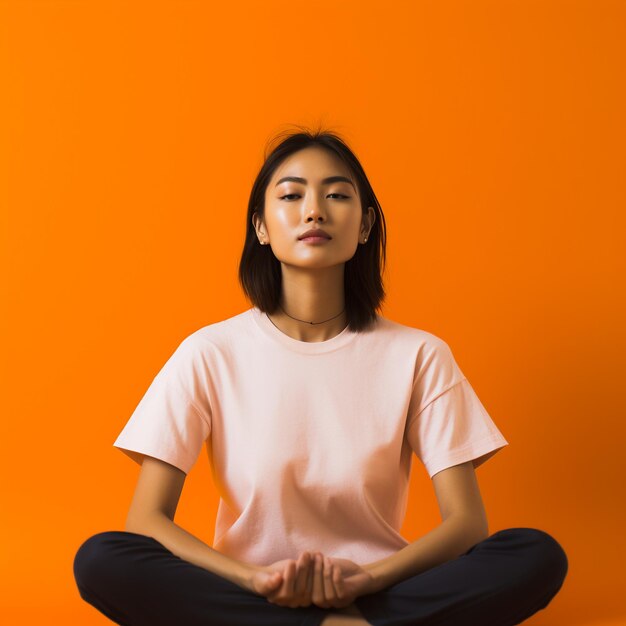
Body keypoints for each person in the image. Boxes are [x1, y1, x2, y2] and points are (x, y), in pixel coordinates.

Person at [73, 126, 568, 626]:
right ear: (261, 227)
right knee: (102, 558)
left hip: (379, 587)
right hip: (251, 593)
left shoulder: (418, 354)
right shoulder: (209, 352)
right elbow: (146, 521)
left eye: (336, 195)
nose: (315, 211)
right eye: (291, 195)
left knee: (534, 553)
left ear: (366, 224)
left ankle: (340, 618)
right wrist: (254, 580)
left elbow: (466, 524)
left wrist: (368, 580)